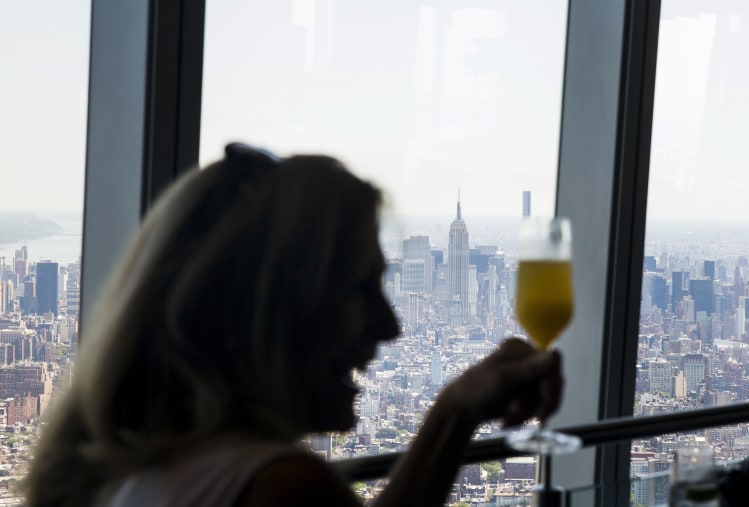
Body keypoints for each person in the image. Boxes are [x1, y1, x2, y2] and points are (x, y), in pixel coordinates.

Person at [22, 142, 564, 507]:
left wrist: (457, 409)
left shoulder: (132, 465)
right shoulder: (279, 487)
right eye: (357, 289)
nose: (390, 325)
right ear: (267, 313)